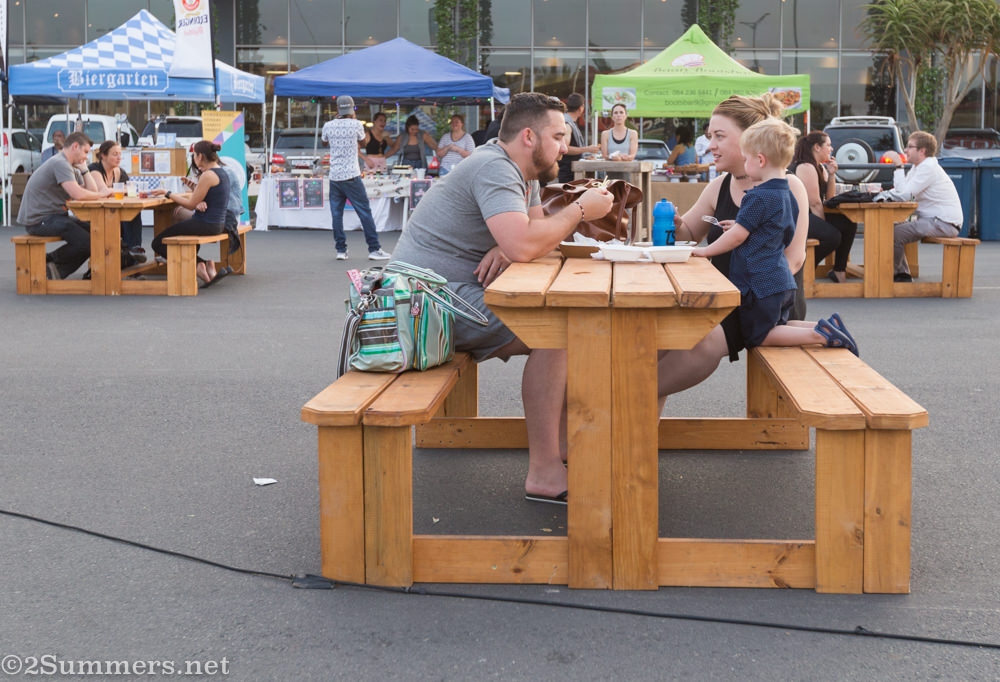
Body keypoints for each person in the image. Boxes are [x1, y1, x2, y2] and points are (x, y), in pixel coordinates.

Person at [390, 92, 614, 504]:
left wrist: (509, 243)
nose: (566, 147)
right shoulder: (495, 167)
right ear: (529, 136)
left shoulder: (520, 172)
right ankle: (547, 469)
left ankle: (562, 444)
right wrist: (579, 210)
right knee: (558, 332)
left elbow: (533, 239)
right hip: (424, 304)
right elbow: (529, 245)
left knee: (564, 327)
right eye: (560, 137)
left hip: (441, 294)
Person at [664, 94, 811, 396]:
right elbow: (690, 232)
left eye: (719, 136)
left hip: (767, 302)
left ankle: (629, 403)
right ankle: (636, 420)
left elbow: (794, 260)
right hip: (726, 298)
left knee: (697, 340)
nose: (710, 146)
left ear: (750, 139)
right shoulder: (719, 185)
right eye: (709, 137)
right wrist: (677, 224)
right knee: (661, 337)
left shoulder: (788, 186)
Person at [692, 118, 859, 355]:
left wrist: (705, 250)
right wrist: (740, 225)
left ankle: (820, 334)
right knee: (778, 325)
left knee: (759, 335)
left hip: (760, 283)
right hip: (781, 281)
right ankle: (827, 326)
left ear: (760, 160)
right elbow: (776, 229)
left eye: (746, 158)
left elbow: (738, 237)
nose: (745, 163)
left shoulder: (756, 196)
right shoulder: (786, 193)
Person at [16, 131, 112, 280]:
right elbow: (79, 195)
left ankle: (53, 267)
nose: (86, 156)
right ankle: (50, 264)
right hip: (39, 220)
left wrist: (85, 169)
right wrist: (103, 194)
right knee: (87, 241)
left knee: (97, 232)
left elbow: (90, 191)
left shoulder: (69, 165)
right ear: (75, 146)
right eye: (85, 151)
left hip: (53, 216)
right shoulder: (60, 163)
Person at [880, 131, 964, 282]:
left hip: (944, 222)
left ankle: (900, 275)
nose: (905, 150)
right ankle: (899, 272)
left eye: (910, 146)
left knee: (893, 233)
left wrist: (899, 165)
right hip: (933, 220)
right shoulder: (918, 167)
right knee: (891, 226)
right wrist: (883, 192)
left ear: (922, 151)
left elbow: (905, 195)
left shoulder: (928, 168)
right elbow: (902, 191)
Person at [149, 141, 231, 287]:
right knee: (178, 230)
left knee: (157, 243)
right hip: (217, 223)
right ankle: (205, 265)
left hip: (204, 223)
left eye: (194, 155)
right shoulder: (222, 172)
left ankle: (199, 264)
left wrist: (167, 193)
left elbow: (191, 204)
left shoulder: (208, 175)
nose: (193, 158)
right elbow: (206, 198)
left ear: (199, 156)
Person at [320, 95, 391, 261]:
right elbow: (364, 143)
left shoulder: (328, 125)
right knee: (364, 211)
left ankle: (341, 250)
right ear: (352, 110)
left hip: (335, 176)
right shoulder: (357, 124)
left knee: (336, 214)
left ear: (338, 109)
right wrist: (354, 122)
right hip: (352, 175)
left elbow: (324, 142)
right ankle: (374, 248)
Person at [790, 131, 858, 283]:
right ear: (817, 147)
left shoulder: (819, 167)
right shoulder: (805, 166)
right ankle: (803, 268)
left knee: (848, 223)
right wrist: (824, 225)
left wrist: (832, 174)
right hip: (797, 216)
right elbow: (814, 203)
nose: (831, 149)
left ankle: (839, 270)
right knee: (832, 236)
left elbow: (829, 198)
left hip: (809, 214)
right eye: (828, 145)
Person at [89, 140, 146, 263]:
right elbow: (104, 191)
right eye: (115, 154)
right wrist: (119, 190)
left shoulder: (118, 171)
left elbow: (130, 189)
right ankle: (132, 254)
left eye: (120, 154)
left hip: (112, 214)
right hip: (96, 218)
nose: (119, 157)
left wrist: (118, 190)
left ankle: (134, 251)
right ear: (103, 155)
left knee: (133, 212)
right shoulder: (94, 169)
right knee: (127, 218)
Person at [557, 92, 600, 183]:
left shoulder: (568, 121)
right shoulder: (567, 124)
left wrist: (585, 155)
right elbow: (565, 148)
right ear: (581, 108)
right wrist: (587, 149)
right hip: (567, 172)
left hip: (571, 171)